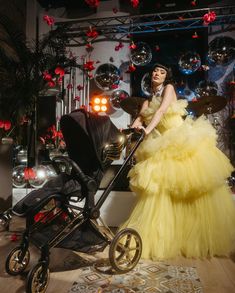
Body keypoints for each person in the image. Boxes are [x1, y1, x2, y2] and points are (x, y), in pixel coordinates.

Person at [121, 63, 235, 260]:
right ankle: (162, 235)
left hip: (179, 139)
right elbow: (139, 119)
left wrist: (147, 131)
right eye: (155, 71)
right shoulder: (147, 101)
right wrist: (129, 131)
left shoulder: (169, 89)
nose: (157, 73)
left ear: (167, 76)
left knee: (190, 186)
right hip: (161, 144)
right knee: (161, 188)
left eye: (162, 71)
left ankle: (199, 236)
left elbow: (162, 111)